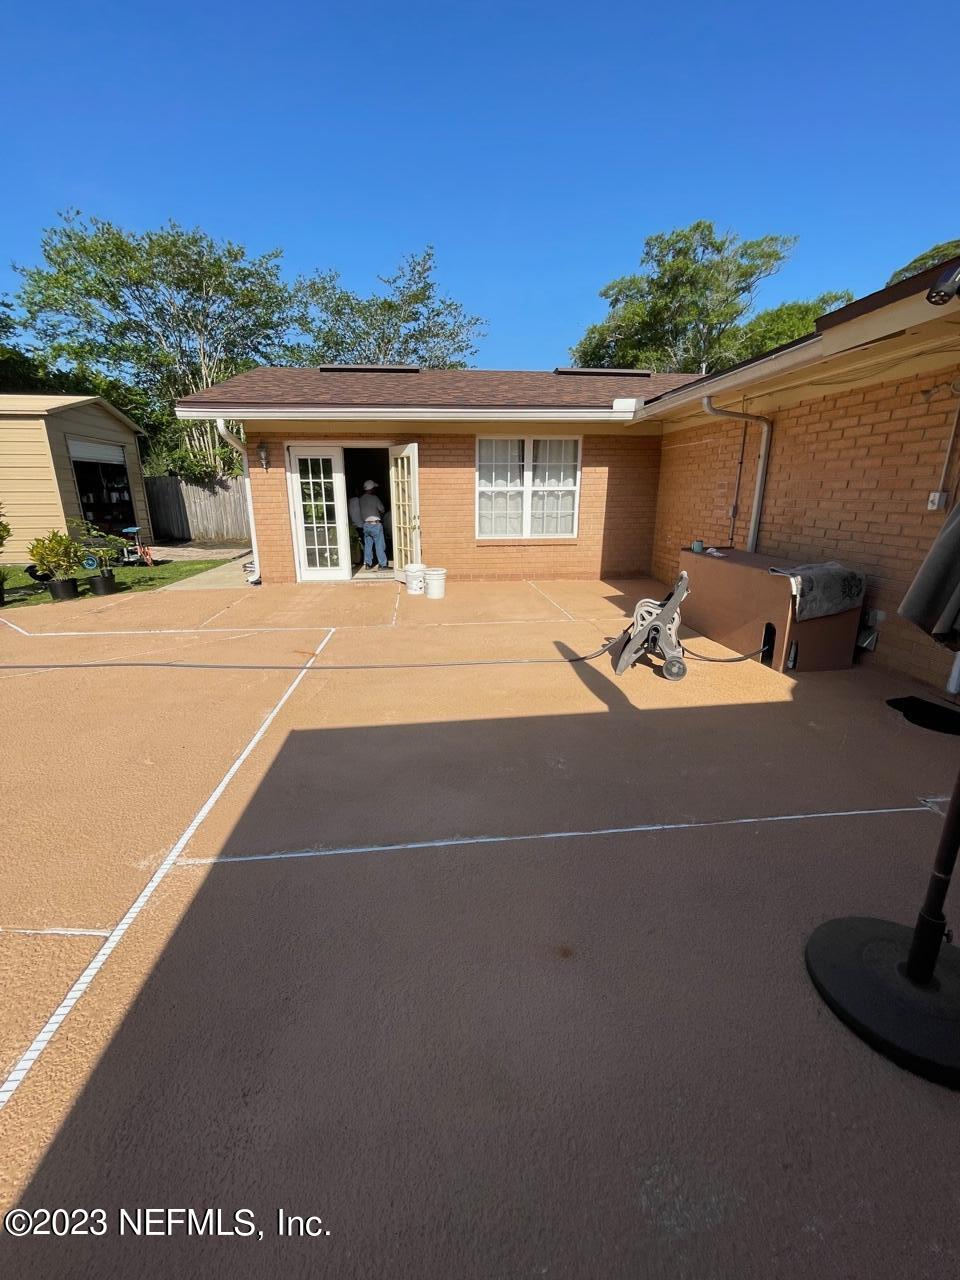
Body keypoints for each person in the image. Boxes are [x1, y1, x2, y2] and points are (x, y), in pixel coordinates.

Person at [359, 479, 389, 571]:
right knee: (379, 545)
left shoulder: (361, 499)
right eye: (374, 488)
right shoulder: (374, 498)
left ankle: (367, 564)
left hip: (366, 525)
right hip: (375, 525)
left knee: (368, 545)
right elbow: (382, 509)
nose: (375, 490)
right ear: (371, 489)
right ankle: (382, 565)